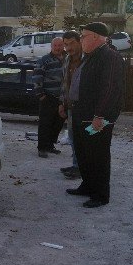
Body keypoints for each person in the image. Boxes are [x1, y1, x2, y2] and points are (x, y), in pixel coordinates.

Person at [66, 22, 124, 208]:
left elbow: (110, 90)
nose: (80, 39)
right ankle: (88, 186)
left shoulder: (110, 57)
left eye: (83, 36)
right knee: (84, 153)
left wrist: (100, 116)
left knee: (97, 155)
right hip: (81, 114)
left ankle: (100, 195)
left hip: (97, 118)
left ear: (96, 37)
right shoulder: (91, 56)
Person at [33, 37, 66, 158]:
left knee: (58, 123)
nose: (58, 48)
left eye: (60, 45)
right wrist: (41, 95)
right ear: (51, 47)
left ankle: (50, 145)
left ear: (63, 46)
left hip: (62, 98)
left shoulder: (68, 59)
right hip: (48, 97)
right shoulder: (44, 60)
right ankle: (42, 148)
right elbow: (37, 78)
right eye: (55, 46)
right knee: (45, 124)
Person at [59, 31, 84, 180]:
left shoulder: (87, 60)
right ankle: (76, 165)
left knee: (83, 139)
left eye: (72, 43)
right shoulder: (67, 59)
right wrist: (62, 103)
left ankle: (83, 168)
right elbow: (64, 83)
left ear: (79, 41)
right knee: (72, 138)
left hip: (84, 107)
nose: (68, 47)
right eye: (66, 44)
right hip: (70, 107)